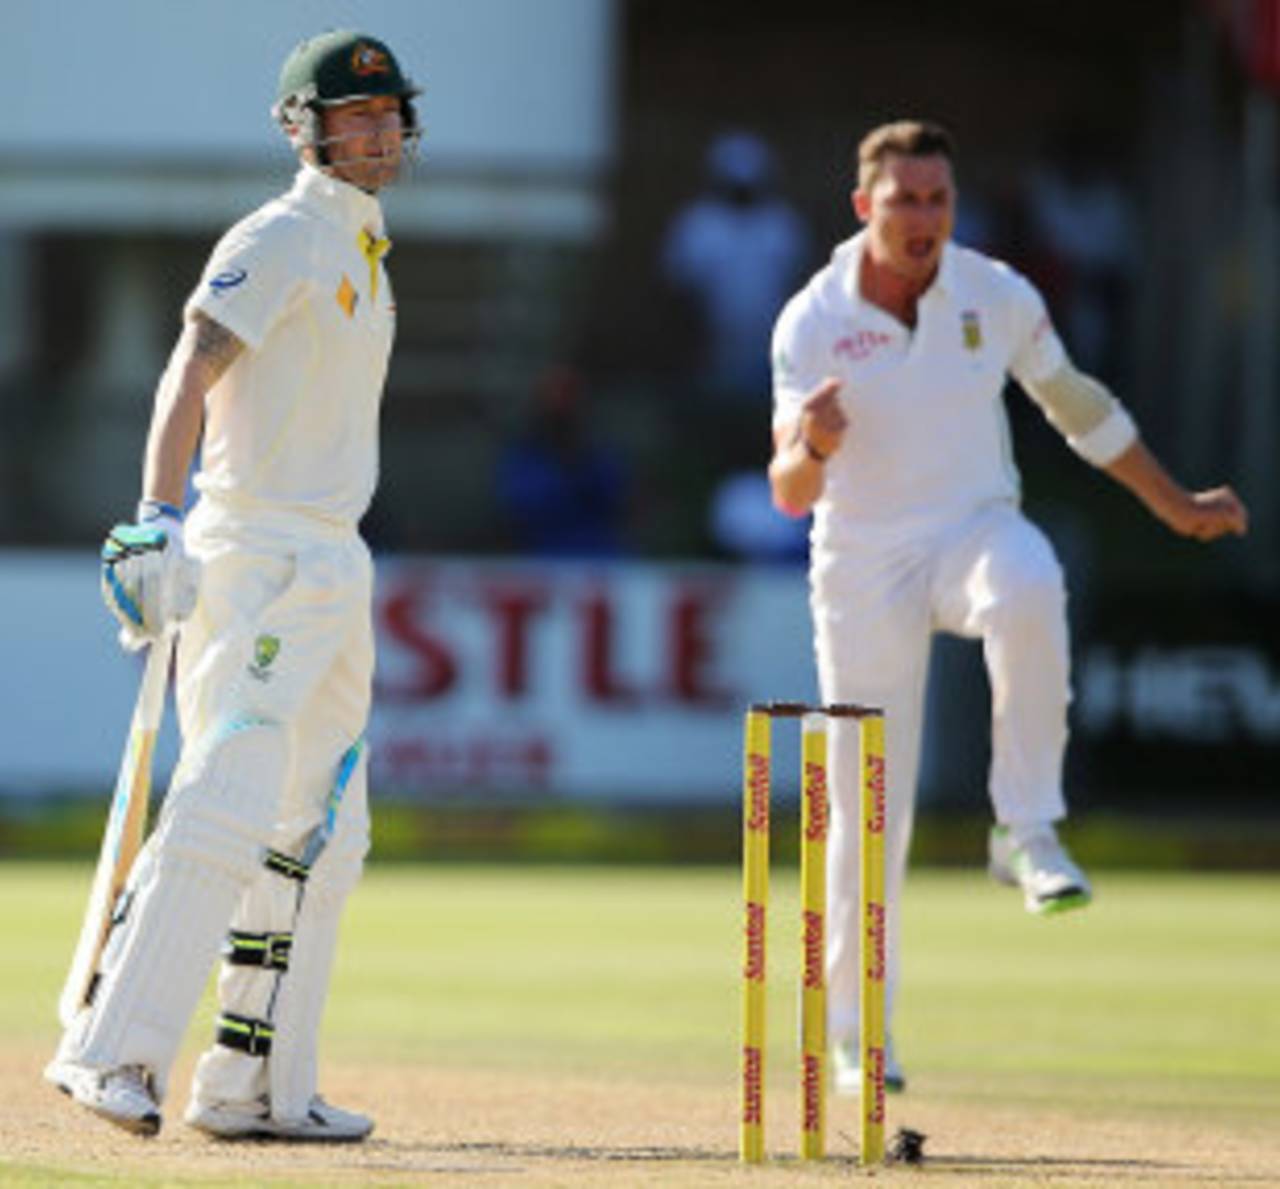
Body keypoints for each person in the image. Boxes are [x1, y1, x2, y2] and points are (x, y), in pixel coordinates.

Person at [767, 120, 1248, 1095]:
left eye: (937, 200)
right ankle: (859, 1038)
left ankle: (1022, 829)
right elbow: (786, 491)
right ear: (864, 208)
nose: (923, 220)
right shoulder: (812, 320)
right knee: (867, 803)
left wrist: (1175, 504)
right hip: (860, 564)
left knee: (1029, 580)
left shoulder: (993, 292)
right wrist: (812, 444)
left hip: (968, 527)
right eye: (903, 201)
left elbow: (1074, 404)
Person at [44, 30, 421, 1141]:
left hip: (332, 558)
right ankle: (108, 1051)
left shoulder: (363, 246)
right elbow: (191, 364)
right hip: (255, 551)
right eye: (351, 116)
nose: (373, 131)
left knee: (326, 828)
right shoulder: (282, 232)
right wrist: (155, 517)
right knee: (228, 790)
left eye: (387, 113)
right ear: (302, 129)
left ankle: (252, 1082)